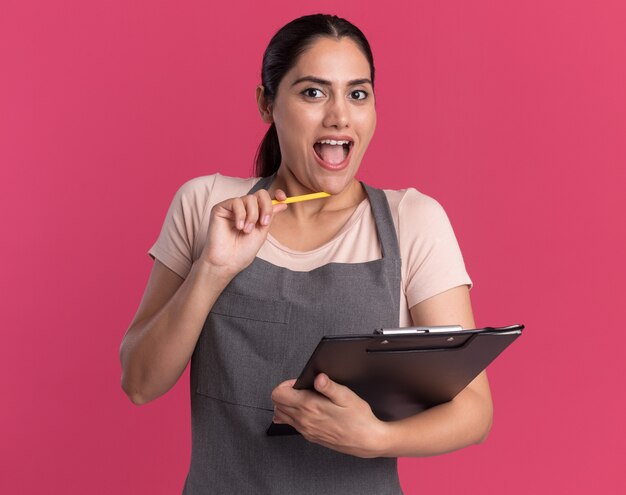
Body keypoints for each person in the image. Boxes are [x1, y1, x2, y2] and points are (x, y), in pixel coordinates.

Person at [119, 13, 493, 494]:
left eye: (358, 94)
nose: (339, 115)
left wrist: (375, 437)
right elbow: (140, 383)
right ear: (266, 103)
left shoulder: (413, 221)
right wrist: (213, 269)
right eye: (313, 92)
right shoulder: (206, 205)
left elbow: (474, 411)